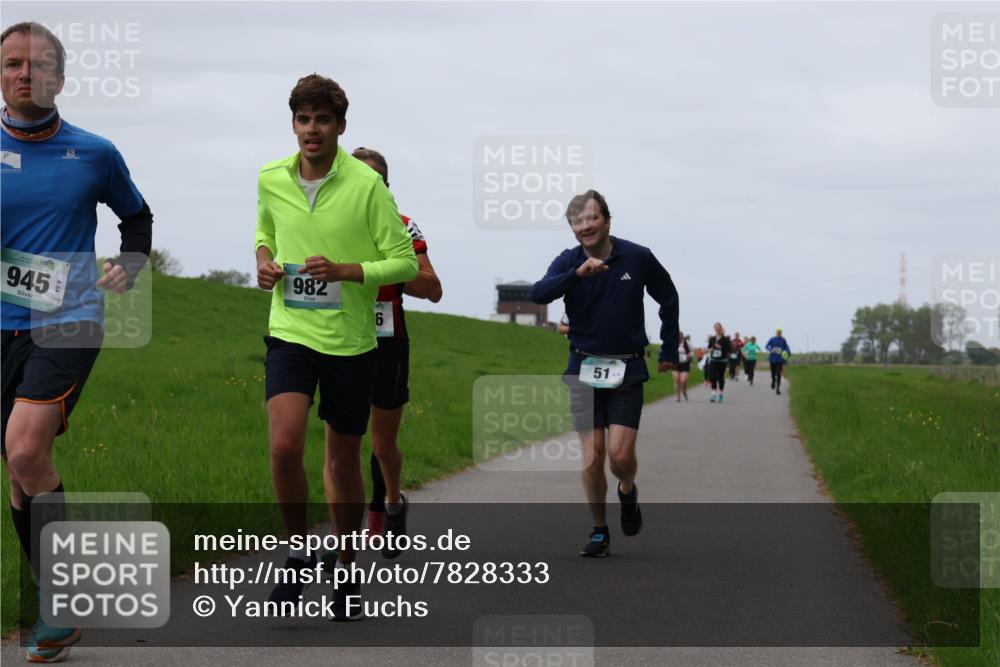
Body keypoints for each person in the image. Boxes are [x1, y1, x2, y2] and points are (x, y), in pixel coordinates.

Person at [1, 22, 154, 662]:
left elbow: (137, 217)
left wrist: (132, 263)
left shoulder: (94, 152)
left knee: (24, 445)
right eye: (11, 64)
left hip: (69, 317)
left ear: (60, 79)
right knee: (19, 472)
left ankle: (60, 603)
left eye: (36, 66)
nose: (23, 75)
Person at [255, 75, 418, 621]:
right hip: (290, 331)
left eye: (322, 120)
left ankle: (346, 571)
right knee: (283, 445)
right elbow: (265, 230)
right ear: (294, 124)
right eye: (303, 120)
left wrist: (346, 271)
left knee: (343, 462)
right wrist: (263, 260)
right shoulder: (271, 179)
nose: (312, 130)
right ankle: (298, 552)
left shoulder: (369, 187)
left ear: (340, 127)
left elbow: (404, 263)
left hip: (351, 342)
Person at [531, 189, 678, 558]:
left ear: (608, 221)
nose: (586, 226)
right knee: (592, 456)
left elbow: (668, 296)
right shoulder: (568, 262)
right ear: (572, 229)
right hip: (582, 366)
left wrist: (670, 349)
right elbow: (538, 294)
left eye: (592, 218)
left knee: (618, 456)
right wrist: (577, 274)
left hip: (627, 367)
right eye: (578, 221)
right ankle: (599, 530)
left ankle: (627, 489)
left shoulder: (637, 257)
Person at [321, 147, 441, 562]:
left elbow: (433, 288)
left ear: (385, 188)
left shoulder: (404, 227)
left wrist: (384, 268)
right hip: (340, 339)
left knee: (382, 444)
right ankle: (343, 537)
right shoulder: (330, 226)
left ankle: (391, 502)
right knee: (340, 444)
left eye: (373, 180)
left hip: (388, 341)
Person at [706, 323, 732, 403]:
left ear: (721, 328)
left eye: (718, 327)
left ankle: (721, 394)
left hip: (722, 360)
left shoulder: (725, 339)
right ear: (714, 329)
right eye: (715, 327)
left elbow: (729, 350)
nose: (717, 329)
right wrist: (709, 349)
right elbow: (709, 347)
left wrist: (721, 348)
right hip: (713, 360)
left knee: (720, 377)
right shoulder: (712, 339)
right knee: (712, 376)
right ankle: (713, 394)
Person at [766, 328, 791, 395]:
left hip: (780, 359)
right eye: (778, 332)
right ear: (776, 333)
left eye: (780, 332)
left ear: (781, 333)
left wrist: (785, 353)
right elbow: (766, 346)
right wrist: (771, 349)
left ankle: (778, 389)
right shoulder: (772, 339)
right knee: (773, 373)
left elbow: (786, 348)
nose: (779, 333)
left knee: (778, 373)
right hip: (772, 359)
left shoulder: (783, 340)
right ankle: (773, 381)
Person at [673, 331, 692, 402]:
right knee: (677, 380)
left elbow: (692, 352)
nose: (679, 337)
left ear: (682, 336)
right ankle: (678, 396)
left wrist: (689, 355)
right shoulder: (673, 343)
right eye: (678, 336)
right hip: (675, 363)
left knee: (683, 380)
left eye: (680, 336)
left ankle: (684, 391)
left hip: (685, 363)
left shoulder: (687, 343)